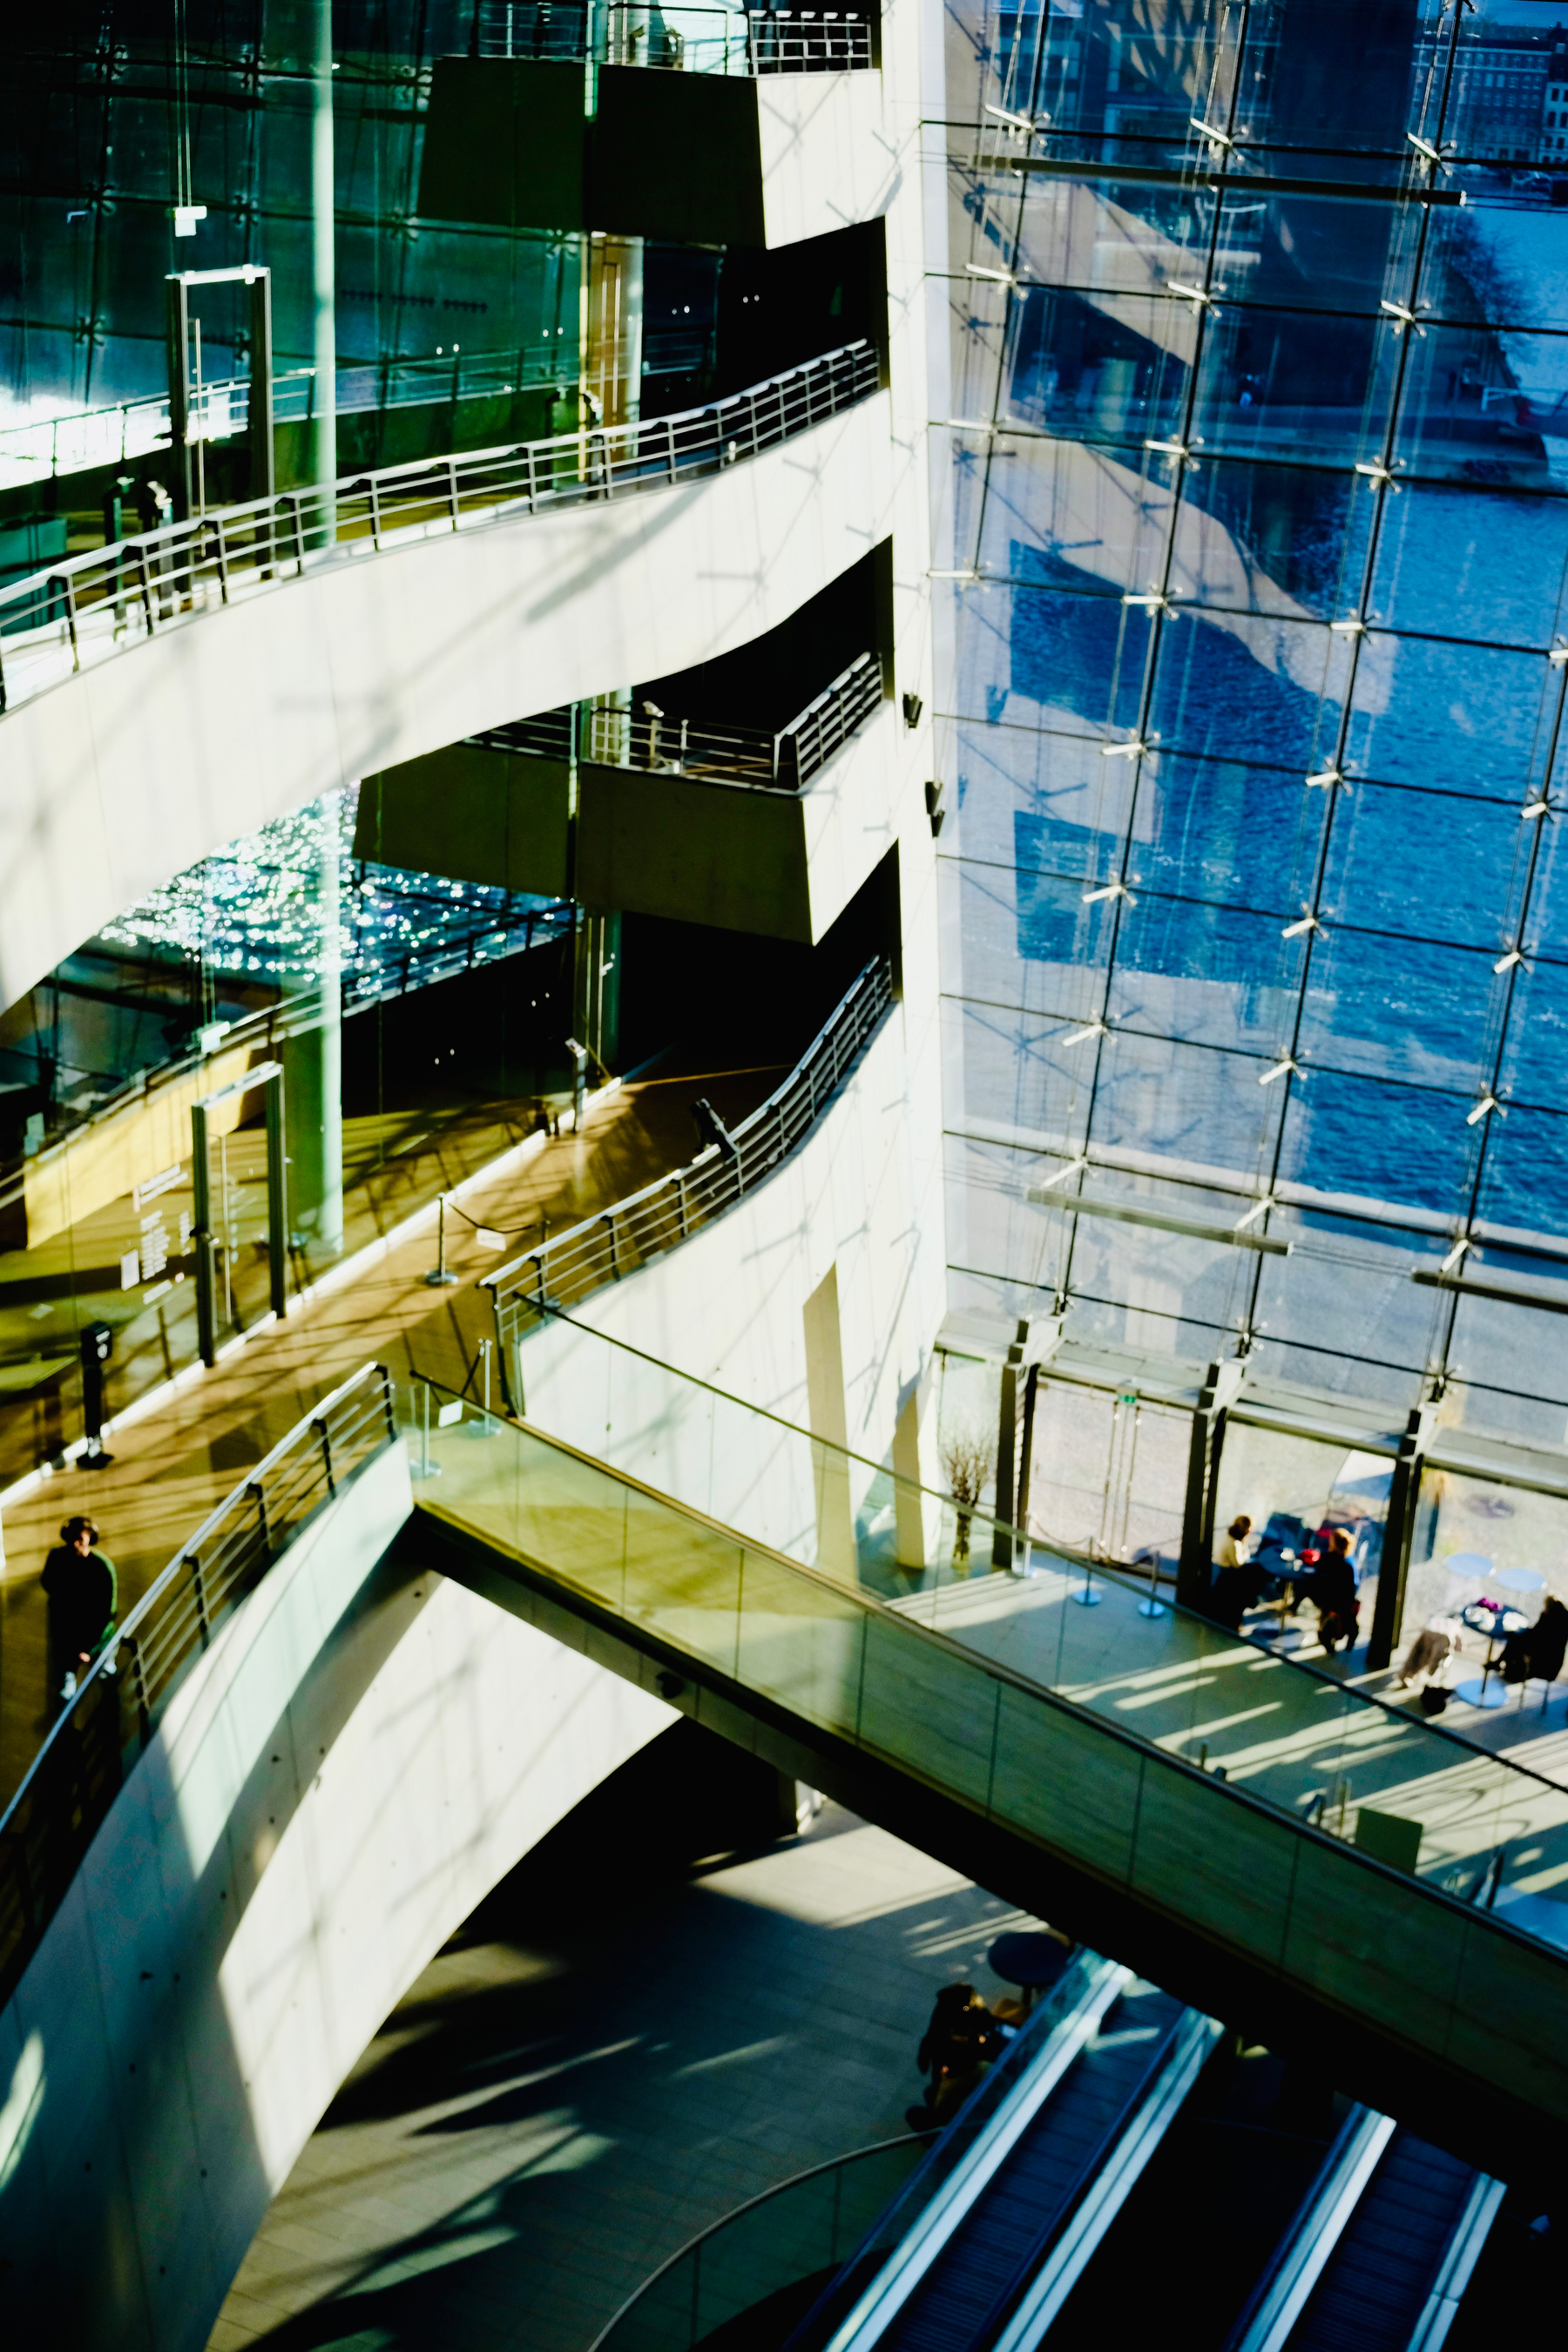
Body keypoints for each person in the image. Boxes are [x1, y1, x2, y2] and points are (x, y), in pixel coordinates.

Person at [40, 1516, 118, 1704]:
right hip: (67, 1631)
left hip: (95, 1634)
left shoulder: (102, 1567)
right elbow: (48, 1583)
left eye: (80, 1539)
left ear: (89, 1539)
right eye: (73, 1539)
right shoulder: (58, 1558)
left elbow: (106, 1613)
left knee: (104, 1673)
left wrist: (87, 1647)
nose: (76, 1544)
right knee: (67, 1673)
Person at [907, 1983, 1004, 2129]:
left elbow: (931, 2036)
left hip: (960, 2063)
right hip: (956, 2060)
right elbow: (933, 2035)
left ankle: (939, 2122)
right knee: (938, 2091)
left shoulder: (952, 2007)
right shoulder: (951, 2008)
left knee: (942, 2094)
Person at [1502, 1595, 1568, 1690]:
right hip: (1553, 1667)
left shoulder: (1547, 1619)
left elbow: (1535, 1636)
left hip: (1541, 1667)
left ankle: (1508, 1670)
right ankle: (1504, 1666)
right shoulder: (1563, 1622)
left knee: (1516, 1641)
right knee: (1518, 1641)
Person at [1312, 1528, 1359, 1654]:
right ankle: (1349, 1647)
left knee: (1325, 1631)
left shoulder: (1326, 1559)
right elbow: (1352, 1587)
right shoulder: (1349, 1564)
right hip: (1344, 1605)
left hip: (1328, 1602)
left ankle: (1330, 1648)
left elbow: (1317, 1578)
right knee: (1352, 1629)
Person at [1207, 1516, 1257, 1632]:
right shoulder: (1234, 1543)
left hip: (1221, 1571)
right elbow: (1238, 1564)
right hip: (1225, 1575)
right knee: (1251, 1579)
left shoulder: (1229, 1536)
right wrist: (1246, 1554)